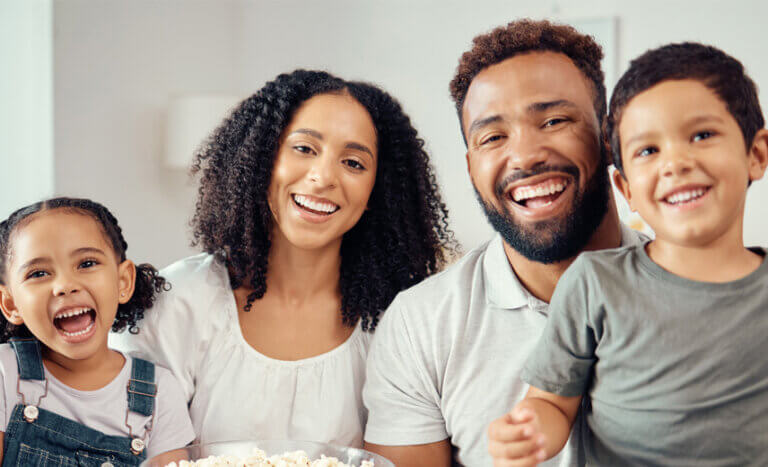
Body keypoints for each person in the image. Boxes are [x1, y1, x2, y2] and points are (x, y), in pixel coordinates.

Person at [111, 69, 454, 447]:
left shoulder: (401, 321)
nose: (323, 177)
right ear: (261, 159)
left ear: (378, 189)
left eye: (354, 163)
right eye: (304, 149)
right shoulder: (179, 301)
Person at [362, 19, 647, 467]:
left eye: (554, 120)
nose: (526, 155)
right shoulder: (421, 327)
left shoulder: (704, 292)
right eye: (493, 137)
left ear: (610, 136)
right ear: (472, 165)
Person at [489, 42, 768, 466]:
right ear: (626, 189)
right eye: (648, 151)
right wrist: (530, 430)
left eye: (702, 135)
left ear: (756, 154)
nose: (675, 162)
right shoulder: (595, 283)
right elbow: (553, 404)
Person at [0, 197, 194, 465]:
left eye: (86, 264)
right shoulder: (5, 373)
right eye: (39, 273)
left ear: (123, 281)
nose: (65, 285)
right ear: (11, 304)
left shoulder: (160, 392)